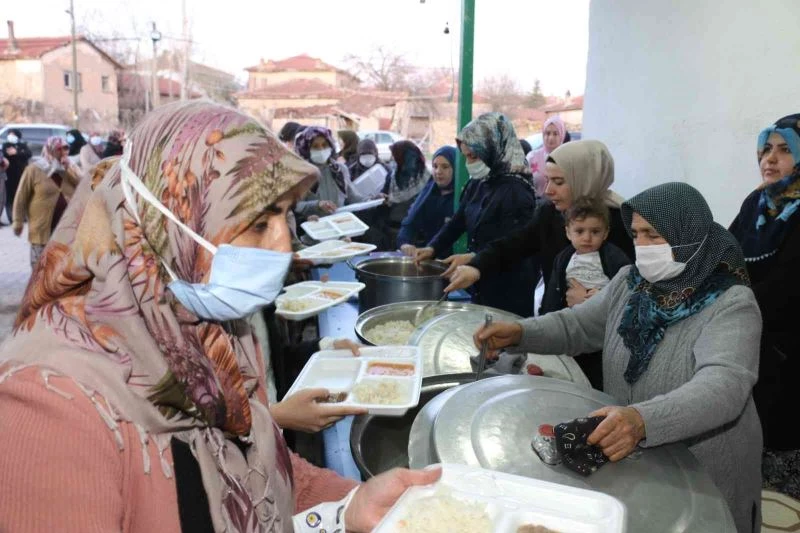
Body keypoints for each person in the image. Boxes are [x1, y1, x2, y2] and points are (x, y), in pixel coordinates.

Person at [0, 101, 440, 533]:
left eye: (285, 215)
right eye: (259, 221)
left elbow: (260, 466)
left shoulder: (207, 332)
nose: (284, 247)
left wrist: (347, 508)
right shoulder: (49, 409)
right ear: (167, 223)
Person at [476, 182, 762, 532]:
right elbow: (578, 325)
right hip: (639, 449)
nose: (642, 246)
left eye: (654, 235)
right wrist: (522, 333)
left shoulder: (731, 303)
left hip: (707, 465)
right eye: (637, 234)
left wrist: (643, 420)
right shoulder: (631, 282)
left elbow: (723, 387)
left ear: (689, 236)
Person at [445, 140, 635, 315]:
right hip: (555, 325)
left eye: (559, 182)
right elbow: (515, 244)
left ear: (585, 178)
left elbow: (634, 289)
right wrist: (477, 266)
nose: (548, 190)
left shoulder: (622, 223)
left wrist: (596, 301)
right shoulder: (550, 214)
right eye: (548, 180)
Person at [729, 113, 800, 499]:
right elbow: (724, 253)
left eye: (786, 150)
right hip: (751, 344)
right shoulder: (756, 202)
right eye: (766, 149)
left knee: (782, 484)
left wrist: (727, 303)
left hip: (789, 355)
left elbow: (788, 287)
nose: (769, 160)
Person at [416, 113, 538, 317]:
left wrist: (473, 257)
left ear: (492, 149)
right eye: (466, 156)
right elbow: (459, 221)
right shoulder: (480, 182)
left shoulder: (517, 191)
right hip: (480, 279)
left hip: (508, 288)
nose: (469, 163)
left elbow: (513, 244)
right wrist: (433, 247)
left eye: (474, 156)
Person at [540, 197, 631, 389]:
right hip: (573, 326)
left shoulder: (613, 256)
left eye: (595, 231)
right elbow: (553, 294)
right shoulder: (564, 258)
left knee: (596, 376)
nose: (587, 238)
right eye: (580, 231)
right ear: (568, 232)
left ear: (606, 233)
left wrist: (601, 295)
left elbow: (627, 286)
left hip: (601, 332)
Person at [12, 136, 81, 269]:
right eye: (59, 149)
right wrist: (17, 222)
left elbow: (83, 185)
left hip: (67, 227)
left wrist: (69, 168)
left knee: (64, 268)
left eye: (65, 149)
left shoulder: (69, 168)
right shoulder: (34, 169)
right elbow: (21, 197)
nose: (63, 153)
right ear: (50, 150)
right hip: (42, 228)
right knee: (41, 268)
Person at [293, 126, 371, 221]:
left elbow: (353, 197)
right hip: (314, 227)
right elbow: (294, 205)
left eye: (325, 145)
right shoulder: (302, 173)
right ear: (306, 149)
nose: (321, 149)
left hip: (340, 226)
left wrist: (373, 200)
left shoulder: (340, 170)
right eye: (315, 146)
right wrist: (317, 204)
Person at [398, 145, 456, 256]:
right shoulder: (429, 193)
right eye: (435, 166)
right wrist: (405, 244)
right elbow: (409, 224)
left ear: (456, 168)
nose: (438, 171)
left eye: (445, 167)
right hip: (428, 257)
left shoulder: (462, 197)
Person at [527, 116, 568, 197]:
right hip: (536, 205)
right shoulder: (532, 157)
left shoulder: (568, 157)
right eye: (547, 133)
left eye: (555, 134)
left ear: (562, 135)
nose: (551, 138)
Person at [2, 128, 33, 224]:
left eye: (13, 134)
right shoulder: (5, 145)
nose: (10, 136)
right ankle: (12, 217)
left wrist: (16, 153)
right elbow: (5, 155)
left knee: (21, 196)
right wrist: (10, 153)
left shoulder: (22, 146)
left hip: (21, 174)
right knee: (10, 198)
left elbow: (28, 154)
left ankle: (22, 216)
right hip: (9, 175)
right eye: (9, 134)